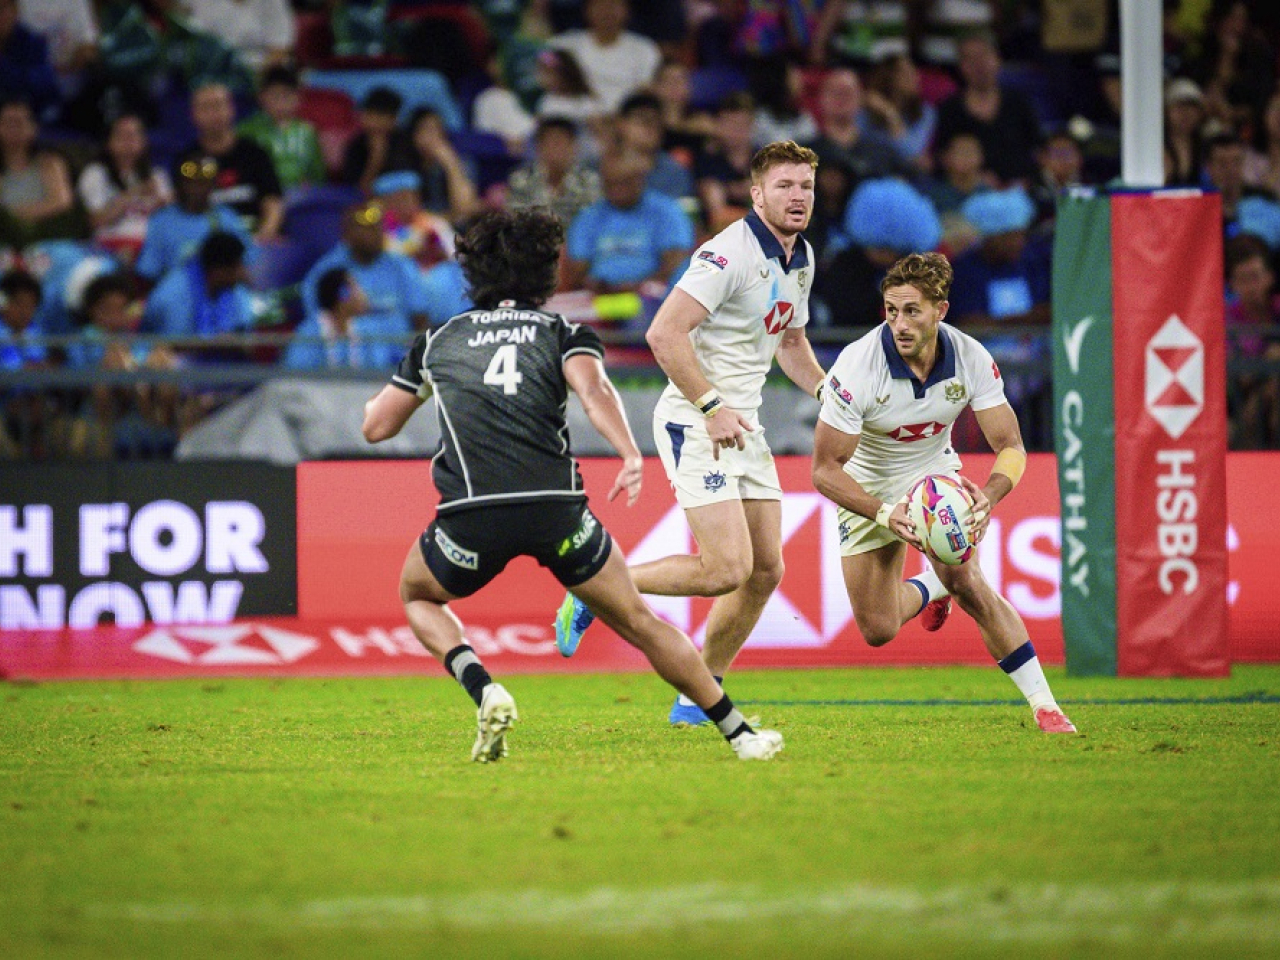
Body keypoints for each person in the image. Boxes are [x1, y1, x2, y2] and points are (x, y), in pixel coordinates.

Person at [360, 207, 783, 763]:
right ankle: (741, 735)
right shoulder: (563, 333)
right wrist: (628, 452)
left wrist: (394, 397)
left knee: (418, 595)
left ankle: (484, 689)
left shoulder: (438, 340)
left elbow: (377, 428)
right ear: (546, 274)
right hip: (557, 511)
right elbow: (595, 392)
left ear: (473, 273)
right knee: (639, 621)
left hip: (473, 512)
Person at [556, 140, 828, 728]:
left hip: (744, 425)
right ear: (756, 195)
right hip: (696, 419)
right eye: (784, 186)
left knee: (765, 573)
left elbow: (790, 343)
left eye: (805, 186)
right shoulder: (727, 253)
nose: (797, 196)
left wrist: (833, 397)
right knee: (724, 570)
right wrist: (711, 405)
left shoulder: (801, 257)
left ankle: (698, 694)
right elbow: (663, 333)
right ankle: (593, 588)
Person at [810, 251, 1076, 734]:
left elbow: (1011, 446)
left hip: (933, 475)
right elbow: (825, 471)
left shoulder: (970, 357)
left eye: (912, 311)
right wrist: (884, 513)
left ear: (940, 311)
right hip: (867, 485)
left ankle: (1046, 706)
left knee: (970, 584)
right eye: (892, 310)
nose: (899, 323)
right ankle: (932, 584)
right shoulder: (857, 366)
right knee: (878, 629)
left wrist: (989, 495)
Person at [284, 199, 430, 370]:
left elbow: (420, 318)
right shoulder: (327, 272)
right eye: (365, 228)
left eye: (377, 227)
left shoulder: (401, 266)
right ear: (346, 233)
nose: (374, 233)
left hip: (398, 357)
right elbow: (321, 324)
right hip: (344, 359)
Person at [564, 151, 693, 297]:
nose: (617, 191)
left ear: (640, 180)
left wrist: (637, 286)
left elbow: (676, 263)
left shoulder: (666, 211)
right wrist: (597, 285)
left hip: (650, 295)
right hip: (600, 296)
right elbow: (577, 270)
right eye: (610, 184)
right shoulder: (588, 217)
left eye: (624, 183)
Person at [932, 31, 1043, 186]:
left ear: (997, 59)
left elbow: (1038, 150)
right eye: (970, 58)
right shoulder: (949, 110)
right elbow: (942, 160)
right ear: (961, 66)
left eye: (984, 55)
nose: (979, 65)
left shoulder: (1019, 102)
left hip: (1022, 188)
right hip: (970, 192)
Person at [178, 81, 283, 241]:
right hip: (205, 243)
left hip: (254, 239)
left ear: (231, 108)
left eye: (218, 105)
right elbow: (181, 213)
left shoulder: (255, 153)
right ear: (193, 114)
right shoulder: (187, 160)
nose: (214, 113)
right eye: (206, 107)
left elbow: (273, 201)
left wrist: (265, 235)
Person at [134, 155, 253, 285]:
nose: (197, 189)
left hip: (220, 292)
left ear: (213, 186)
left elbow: (246, 264)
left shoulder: (226, 218)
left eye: (203, 183)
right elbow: (149, 271)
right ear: (179, 184)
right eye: (191, 183)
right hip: (176, 292)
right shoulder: (162, 221)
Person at [76, 113, 172, 264]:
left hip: (152, 246)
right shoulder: (95, 173)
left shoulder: (157, 175)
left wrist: (163, 202)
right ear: (109, 142)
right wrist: (133, 194)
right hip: (110, 246)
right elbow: (96, 221)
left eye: (135, 135)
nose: (129, 141)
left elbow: (171, 215)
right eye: (122, 135)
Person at [548, 0, 661, 114]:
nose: (607, 11)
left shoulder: (645, 49)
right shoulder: (562, 44)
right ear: (586, 11)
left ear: (627, 11)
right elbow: (544, 76)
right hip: (571, 116)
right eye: (600, 5)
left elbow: (645, 91)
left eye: (614, 5)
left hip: (623, 117)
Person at [237, 64, 326, 192]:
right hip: (262, 194)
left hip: (299, 196)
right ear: (261, 97)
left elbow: (318, 175)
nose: (280, 103)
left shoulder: (307, 131)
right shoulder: (245, 130)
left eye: (286, 96)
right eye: (275, 96)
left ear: (298, 98)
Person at [506, 116, 602, 227]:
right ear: (538, 147)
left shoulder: (589, 181)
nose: (556, 149)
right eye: (550, 143)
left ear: (574, 146)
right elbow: (515, 219)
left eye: (560, 143)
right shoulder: (520, 181)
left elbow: (593, 219)